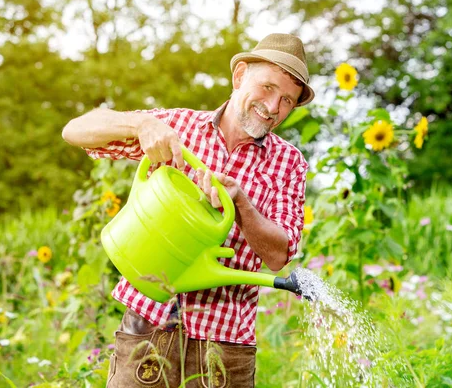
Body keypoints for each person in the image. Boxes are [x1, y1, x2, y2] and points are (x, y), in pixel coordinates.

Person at [62, 33, 315, 388]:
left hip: (225, 348)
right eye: (267, 87)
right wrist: (140, 124)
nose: (273, 106)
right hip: (147, 330)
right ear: (240, 75)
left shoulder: (289, 163)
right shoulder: (178, 127)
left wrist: (241, 204)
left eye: (287, 100)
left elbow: (279, 255)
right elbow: (75, 130)